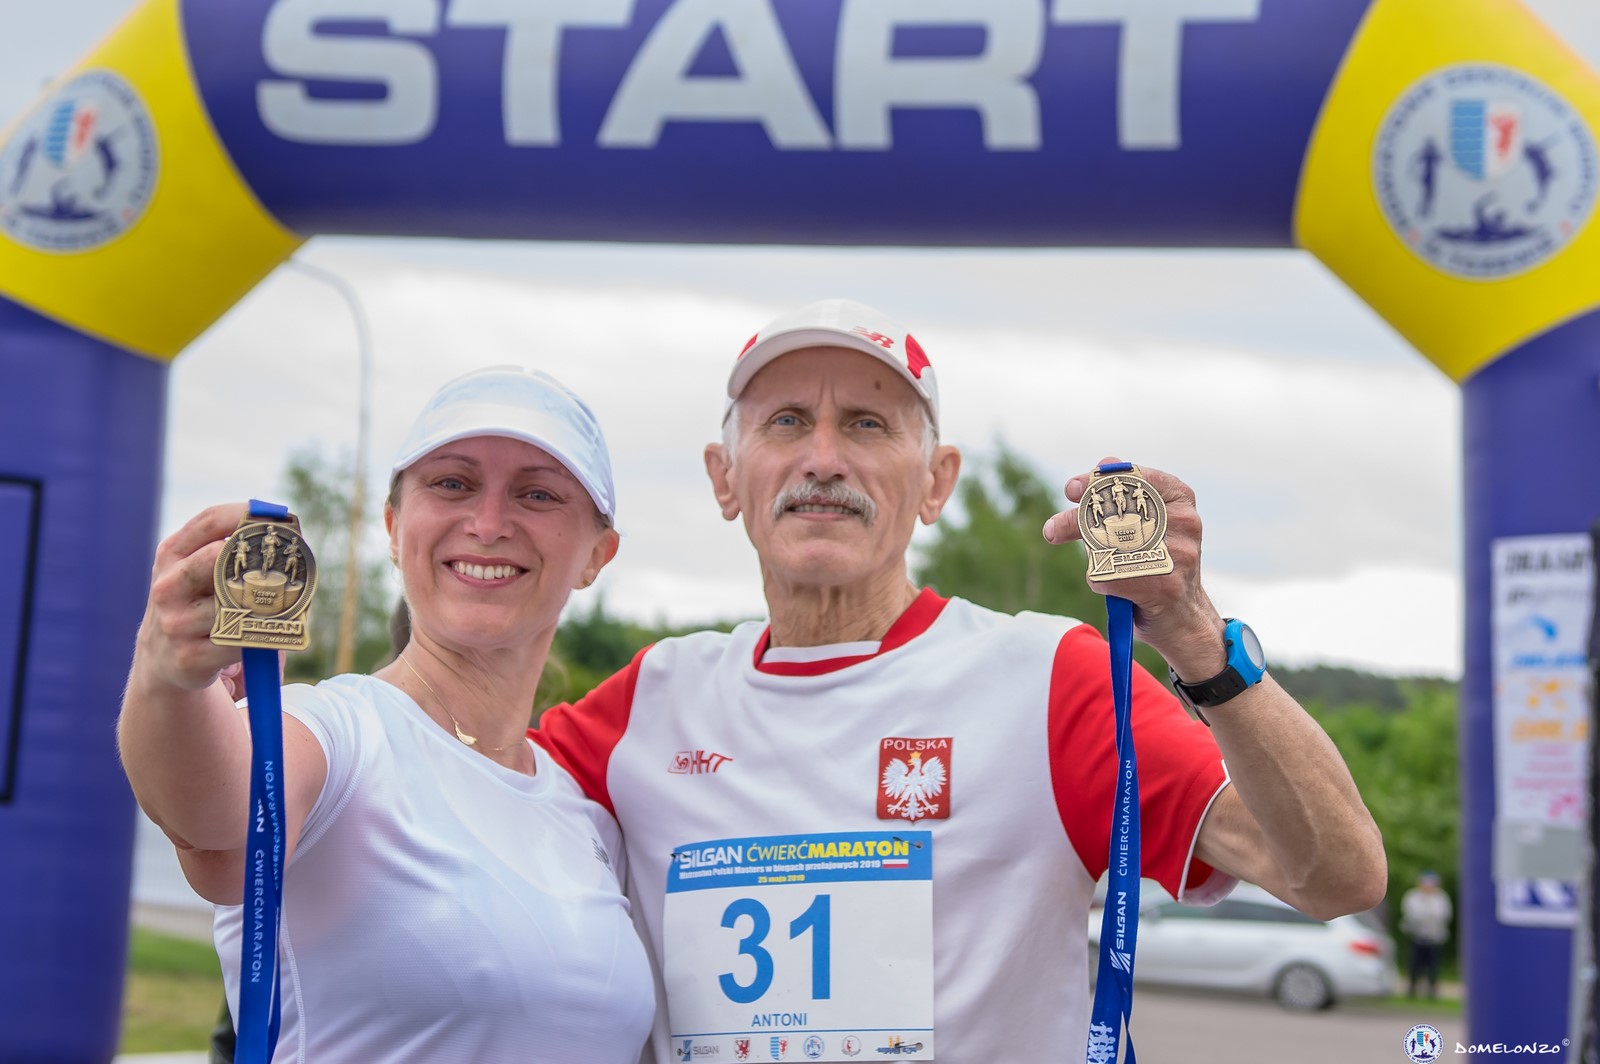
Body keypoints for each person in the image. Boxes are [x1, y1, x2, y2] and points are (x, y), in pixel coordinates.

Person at [535, 298, 1387, 1062]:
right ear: (725, 478)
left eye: (868, 425)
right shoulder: (649, 701)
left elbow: (1335, 876)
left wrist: (1193, 631)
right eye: (786, 422)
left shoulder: (1050, 679)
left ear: (936, 482)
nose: (823, 459)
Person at [118, 366, 654, 1062]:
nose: (489, 523)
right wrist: (168, 674)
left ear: (597, 555)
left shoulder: (588, 820)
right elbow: (216, 822)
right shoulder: (340, 734)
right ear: (395, 528)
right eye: (452, 483)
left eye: (538, 493)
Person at [1400, 871, 1453, 999]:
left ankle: (1431, 992)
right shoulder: (1413, 896)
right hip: (1416, 936)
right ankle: (1412, 991)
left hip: (1435, 937)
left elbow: (1443, 915)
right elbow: (1412, 915)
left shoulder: (1441, 898)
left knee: (1433, 966)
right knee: (1414, 965)